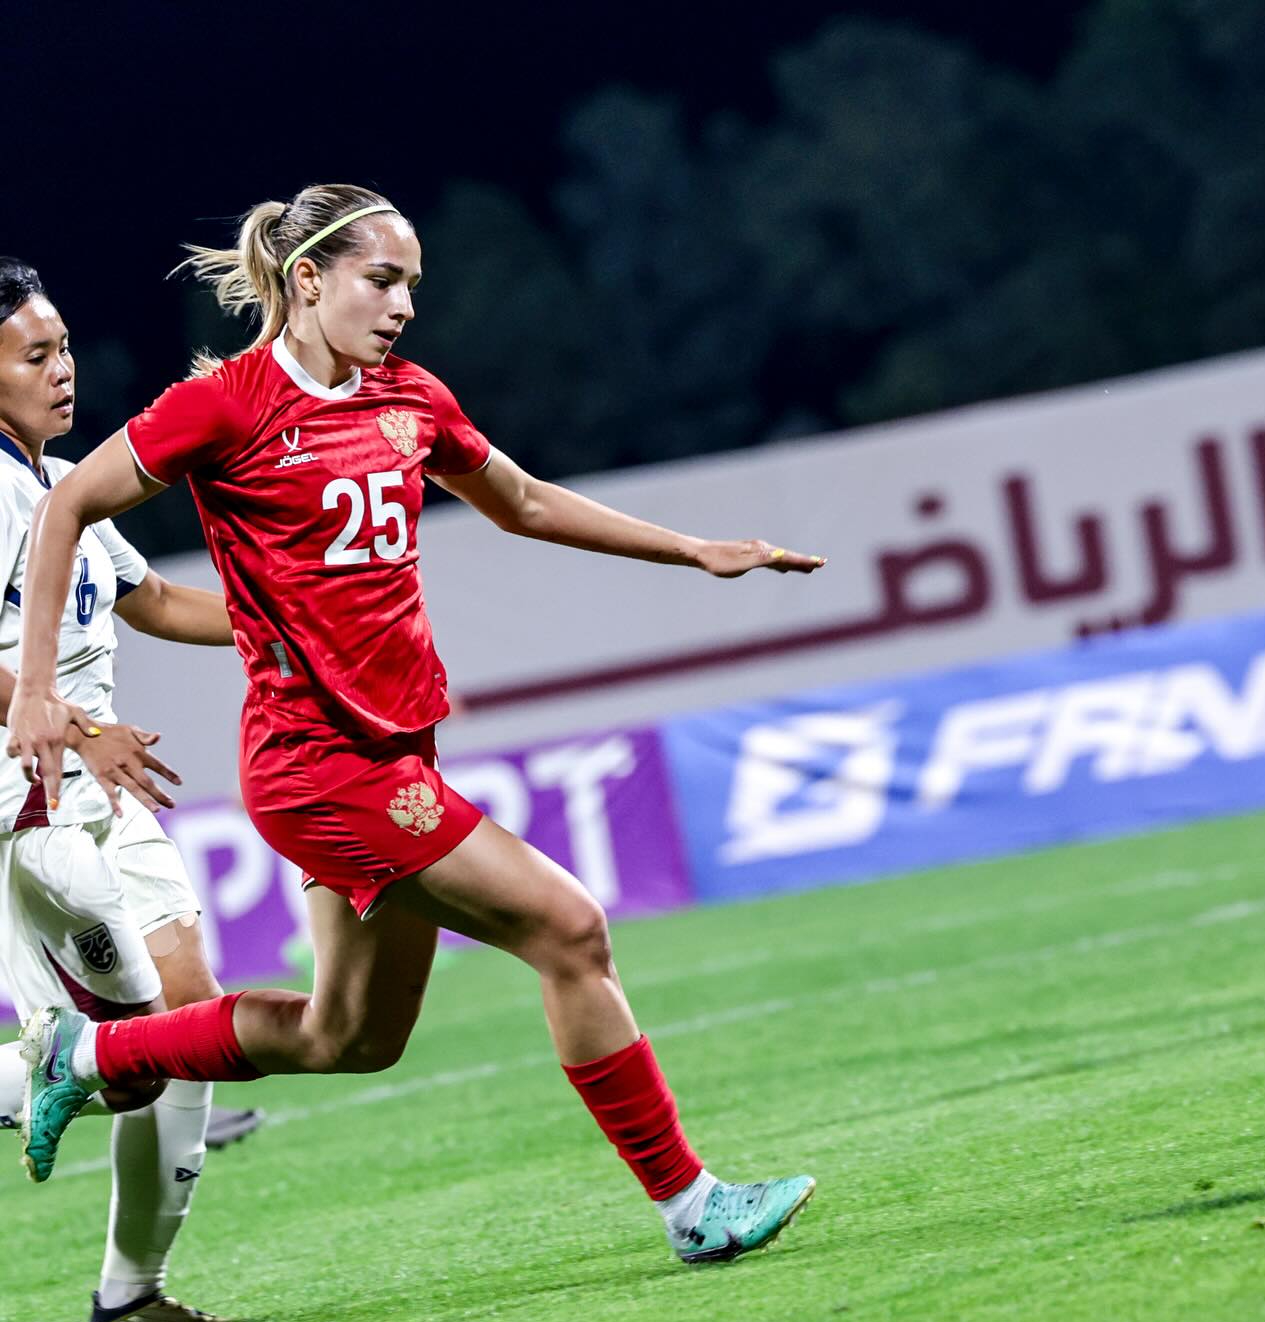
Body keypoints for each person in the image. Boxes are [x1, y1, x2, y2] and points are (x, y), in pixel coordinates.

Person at [11, 184, 822, 1267]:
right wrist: (34, 689)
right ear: (308, 280)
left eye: (411, 287)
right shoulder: (225, 406)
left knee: (349, 1038)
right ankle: (692, 1206)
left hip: (394, 750)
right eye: (381, 280)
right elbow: (67, 507)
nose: (401, 307)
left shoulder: (410, 400)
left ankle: (86, 1056)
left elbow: (523, 502)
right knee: (570, 931)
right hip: (320, 767)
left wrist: (694, 549)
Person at [0, 256, 253, 1322]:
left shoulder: (62, 488)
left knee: (188, 1029)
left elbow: (150, 602)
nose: (64, 371)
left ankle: (130, 1294)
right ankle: (31, 1075)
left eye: (64, 349)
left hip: (102, 780)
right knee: (135, 1051)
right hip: (32, 795)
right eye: (35, 355)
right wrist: (79, 727)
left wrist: (291, 613)